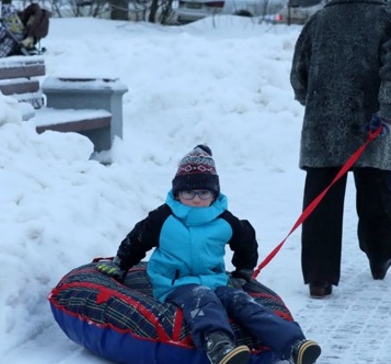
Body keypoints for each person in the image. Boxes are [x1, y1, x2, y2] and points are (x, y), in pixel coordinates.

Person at [95, 145, 322, 364]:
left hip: (215, 280)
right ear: (177, 192)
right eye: (188, 192)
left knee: (242, 302)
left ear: (214, 193)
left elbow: (245, 241)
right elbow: (137, 239)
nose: (196, 199)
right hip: (174, 284)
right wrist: (121, 264)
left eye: (203, 192)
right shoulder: (163, 218)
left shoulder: (224, 220)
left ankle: (293, 344)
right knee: (202, 298)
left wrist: (243, 270)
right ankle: (218, 345)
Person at [289, 0, 391, 298]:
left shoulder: (320, 19)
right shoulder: (389, 18)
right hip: (373, 127)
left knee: (321, 202)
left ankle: (319, 277)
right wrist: (387, 111)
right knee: (375, 196)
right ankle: (380, 254)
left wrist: (317, 104)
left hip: (321, 131)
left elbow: (298, 75)